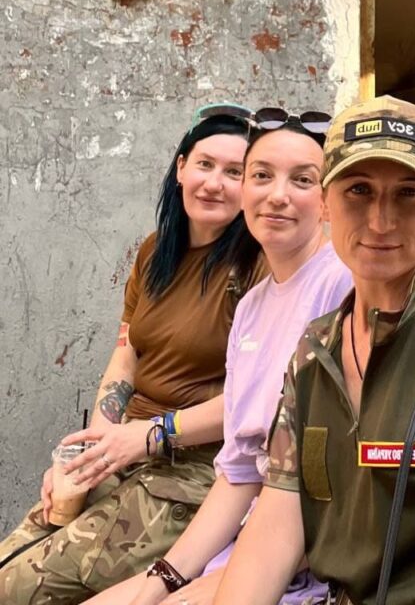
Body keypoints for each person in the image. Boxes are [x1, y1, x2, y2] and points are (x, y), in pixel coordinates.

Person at [212, 96, 415, 605]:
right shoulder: (315, 351)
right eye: (358, 191)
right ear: (325, 203)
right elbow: (279, 517)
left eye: (408, 194)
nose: (381, 221)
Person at [88, 112, 354, 605]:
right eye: (261, 176)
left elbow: (344, 482)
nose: (277, 195)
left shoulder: (342, 284)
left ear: (328, 199)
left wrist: (220, 581)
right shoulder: (252, 308)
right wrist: (163, 581)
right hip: (242, 534)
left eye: (302, 180)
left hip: (310, 558)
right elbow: (240, 472)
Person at [1, 104, 262, 603]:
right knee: (12, 559)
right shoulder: (155, 251)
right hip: (125, 448)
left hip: (191, 471)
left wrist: (147, 436)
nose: (215, 183)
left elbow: (258, 403)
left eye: (236, 172)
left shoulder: (256, 266)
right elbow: (127, 354)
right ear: (181, 167)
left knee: (17, 589)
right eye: (205, 164)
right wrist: (97, 446)